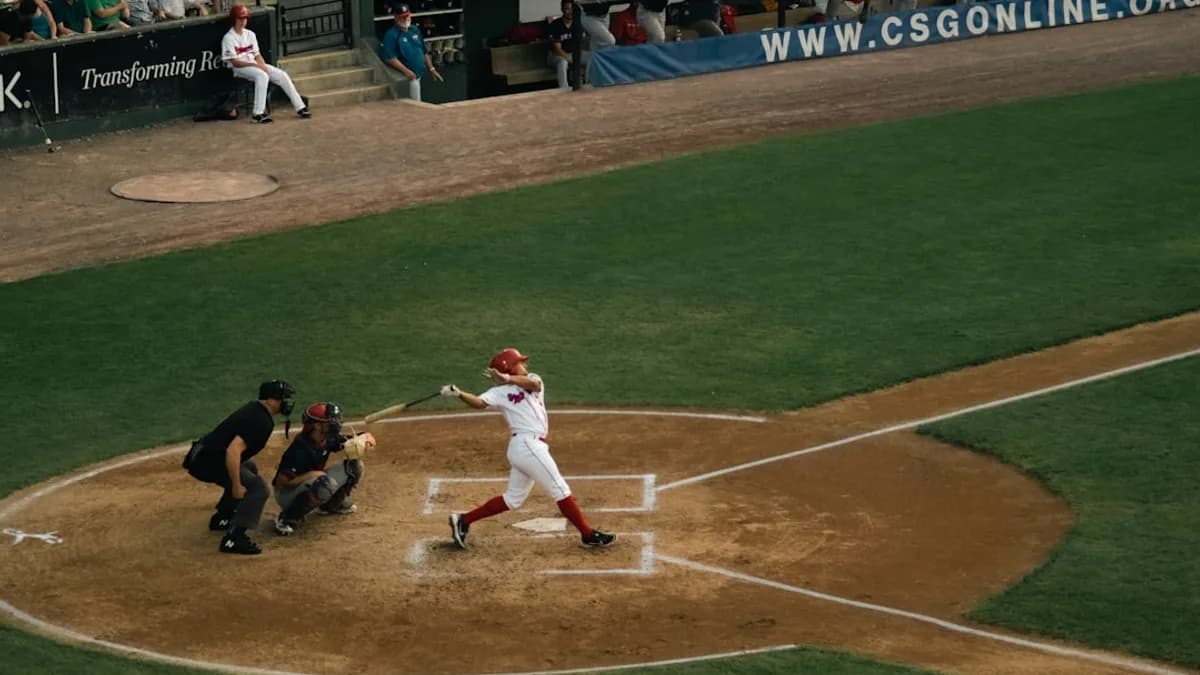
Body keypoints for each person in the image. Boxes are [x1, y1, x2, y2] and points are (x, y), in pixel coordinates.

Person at [443, 348, 616, 550]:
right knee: (560, 489)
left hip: (526, 448)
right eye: (519, 363)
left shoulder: (532, 379)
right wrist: (459, 393)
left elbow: (533, 385)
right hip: (527, 446)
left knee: (513, 500)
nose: (525, 365)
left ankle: (463, 520)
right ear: (509, 367)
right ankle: (588, 535)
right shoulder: (498, 393)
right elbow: (480, 403)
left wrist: (507, 378)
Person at [182, 379, 296, 555]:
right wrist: (236, 485)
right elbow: (233, 451)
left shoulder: (256, 410)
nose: (285, 403)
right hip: (206, 462)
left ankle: (223, 517)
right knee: (258, 489)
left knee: (249, 468)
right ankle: (234, 538)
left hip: (201, 456)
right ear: (270, 400)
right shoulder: (261, 420)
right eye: (282, 399)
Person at [271, 402, 375, 536]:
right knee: (326, 484)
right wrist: (312, 474)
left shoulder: (326, 438)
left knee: (354, 466)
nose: (335, 423)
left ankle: (331, 506)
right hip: (286, 494)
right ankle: (286, 519)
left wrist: (364, 437)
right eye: (330, 421)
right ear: (317, 425)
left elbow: (348, 441)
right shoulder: (299, 450)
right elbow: (282, 483)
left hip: (313, 481)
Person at [222, 3, 310, 123]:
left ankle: (300, 108)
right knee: (262, 75)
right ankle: (258, 114)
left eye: (245, 18)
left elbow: (257, 55)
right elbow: (235, 62)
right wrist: (256, 66)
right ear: (235, 19)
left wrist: (262, 65)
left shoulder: (250, 34)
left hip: (254, 65)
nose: (243, 21)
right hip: (240, 69)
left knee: (281, 75)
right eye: (240, 18)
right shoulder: (228, 38)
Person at [379, 3, 439, 103]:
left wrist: (431, 68)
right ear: (396, 17)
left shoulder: (414, 29)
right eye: (403, 17)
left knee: (419, 103)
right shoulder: (391, 34)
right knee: (415, 105)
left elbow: (423, 51)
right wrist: (406, 71)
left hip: (419, 74)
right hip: (408, 78)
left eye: (408, 16)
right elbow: (389, 57)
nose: (406, 19)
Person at [546, 0, 580, 90]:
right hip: (555, 56)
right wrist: (571, 59)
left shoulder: (578, 23)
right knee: (563, 62)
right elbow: (558, 49)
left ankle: (589, 84)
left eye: (572, 9)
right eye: (567, 9)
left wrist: (576, 57)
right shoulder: (556, 24)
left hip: (573, 53)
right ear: (562, 10)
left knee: (592, 57)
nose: (570, 12)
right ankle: (564, 89)